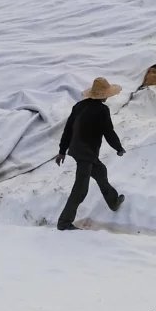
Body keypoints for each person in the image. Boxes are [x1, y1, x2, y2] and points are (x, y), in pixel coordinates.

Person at [55, 78, 127, 231]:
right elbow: (109, 132)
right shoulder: (102, 110)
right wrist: (118, 148)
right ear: (103, 96)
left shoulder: (79, 106)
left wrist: (62, 151)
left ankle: (113, 202)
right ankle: (64, 222)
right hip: (86, 153)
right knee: (81, 189)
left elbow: (68, 130)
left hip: (78, 150)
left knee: (101, 172)